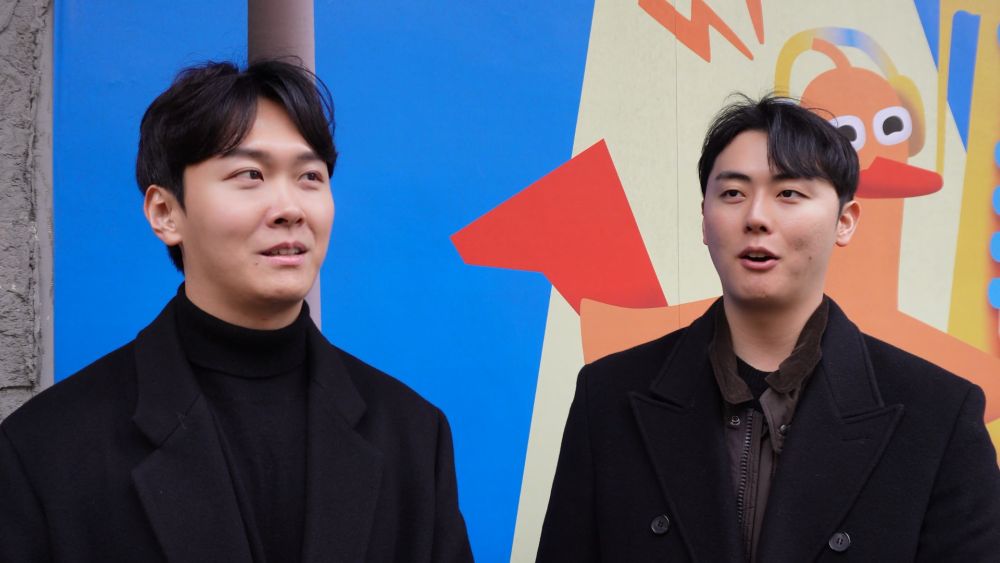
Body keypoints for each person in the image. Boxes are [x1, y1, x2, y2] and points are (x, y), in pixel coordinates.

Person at [0, 60, 473, 563]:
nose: (290, 208)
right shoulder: (45, 449)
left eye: (310, 176)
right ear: (165, 213)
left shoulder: (413, 436)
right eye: (251, 174)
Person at [536, 95, 1000, 562]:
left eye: (789, 193)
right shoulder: (609, 396)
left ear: (844, 221)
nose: (756, 217)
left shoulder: (938, 415)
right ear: (704, 219)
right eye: (733, 194)